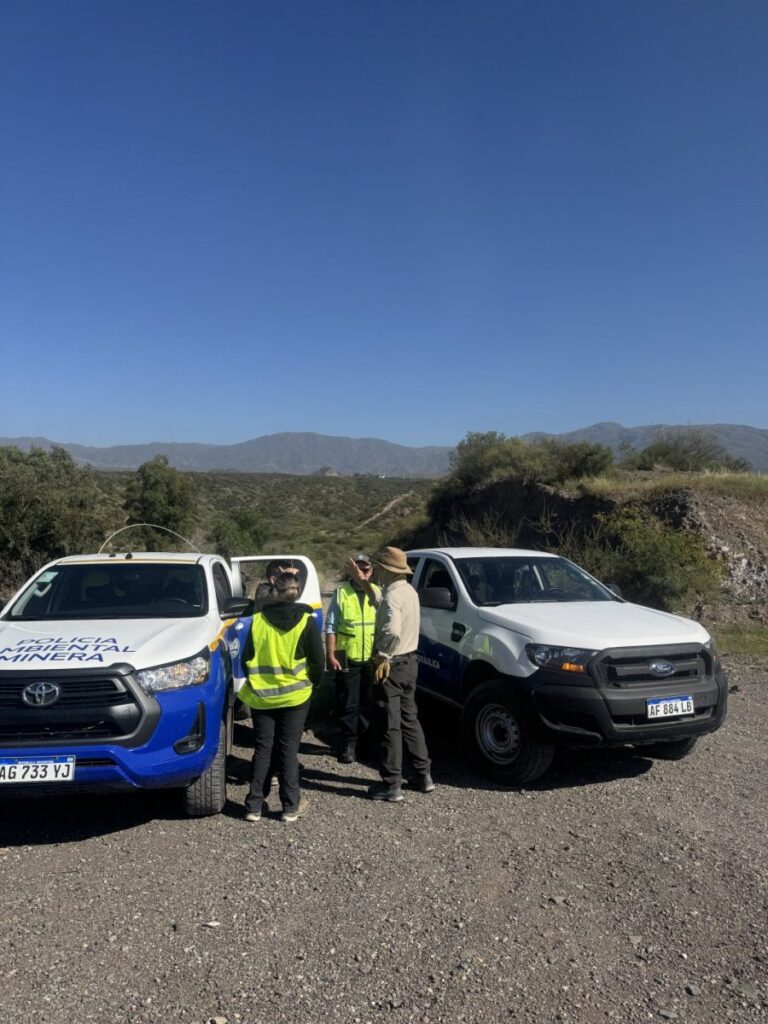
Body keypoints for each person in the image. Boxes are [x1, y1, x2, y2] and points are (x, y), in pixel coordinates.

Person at [238, 566, 324, 823]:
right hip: (295, 697)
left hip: (262, 696)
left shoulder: (258, 621)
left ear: (274, 591)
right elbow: (318, 662)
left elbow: (246, 659)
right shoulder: (306, 622)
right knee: (288, 750)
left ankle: (254, 804)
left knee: (263, 748)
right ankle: (290, 805)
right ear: (297, 594)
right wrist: (314, 683)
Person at [349, 546, 433, 802]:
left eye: (379, 568)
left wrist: (382, 656)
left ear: (386, 570)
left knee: (388, 724)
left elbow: (391, 630)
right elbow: (380, 601)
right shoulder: (408, 591)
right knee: (410, 719)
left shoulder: (393, 596)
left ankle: (391, 784)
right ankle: (423, 775)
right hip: (410, 663)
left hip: (393, 665)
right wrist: (363, 583)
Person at [325, 553, 381, 763]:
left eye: (365, 569)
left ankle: (366, 745)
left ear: (371, 571)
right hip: (346, 655)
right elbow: (330, 626)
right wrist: (330, 654)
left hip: (371, 656)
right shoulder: (341, 594)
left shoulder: (377, 593)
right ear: (351, 570)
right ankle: (349, 744)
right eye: (357, 569)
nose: (361, 573)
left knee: (368, 702)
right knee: (348, 703)